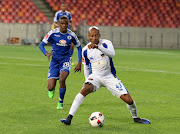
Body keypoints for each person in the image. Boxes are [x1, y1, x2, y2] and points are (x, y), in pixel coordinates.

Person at [60, 26, 150, 125]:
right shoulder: (85, 50)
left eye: (96, 35)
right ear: (88, 37)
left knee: (129, 100)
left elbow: (112, 54)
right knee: (84, 90)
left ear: (99, 35)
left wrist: (98, 47)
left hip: (109, 77)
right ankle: (69, 118)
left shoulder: (106, 43)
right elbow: (85, 66)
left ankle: (136, 118)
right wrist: (87, 81)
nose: (94, 38)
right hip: (95, 77)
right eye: (92, 36)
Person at [39, 16, 82, 109]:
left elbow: (79, 47)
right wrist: (46, 53)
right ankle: (52, 88)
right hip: (54, 61)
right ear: (58, 24)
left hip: (66, 60)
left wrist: (79, 62)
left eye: (66, 24)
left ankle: (60, 102)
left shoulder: (72, 35)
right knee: (50, 87)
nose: (64, 25)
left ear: (68, 24)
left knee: (62, 79)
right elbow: (41, 45)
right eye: (62, 23)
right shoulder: (52, 33)